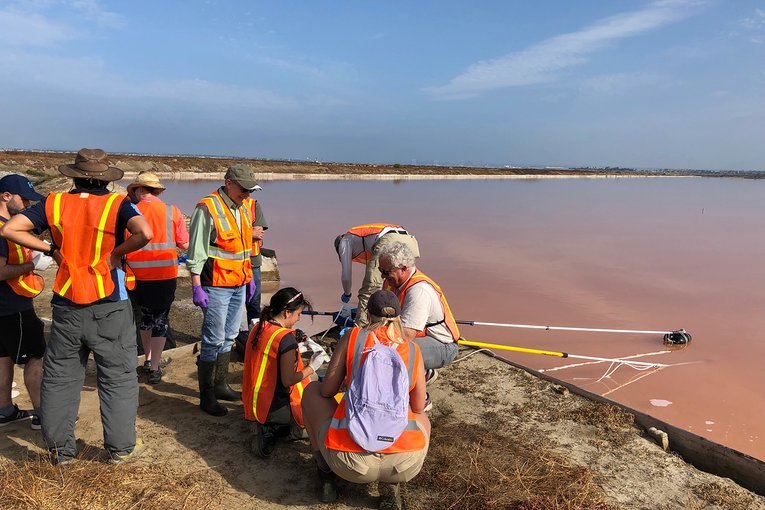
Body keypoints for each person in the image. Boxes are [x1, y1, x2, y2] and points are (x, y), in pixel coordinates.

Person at [0, 148, 153, 465]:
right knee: (118, 377)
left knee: (60, 379)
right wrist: (113, 256)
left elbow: (11, 229)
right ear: (105, 180)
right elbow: (145, 233)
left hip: (67, 304)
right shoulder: (116, 204)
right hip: (109, 303)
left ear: (75, 176)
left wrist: (51, 249)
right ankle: (121, 449)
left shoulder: (54, 202)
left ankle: (61, 451)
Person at [301, 290, 430, 508]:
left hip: (350, 464)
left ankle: (326, 477)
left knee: (312, 391)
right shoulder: (412, 349)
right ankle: (390, 486)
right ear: (399, 317)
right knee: (422, 416)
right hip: (404, 463)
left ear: (368, 316)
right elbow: (418, 406)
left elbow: (327, 391)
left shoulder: (353, 337)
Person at [186, 164, 260, 416]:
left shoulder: (243, 209)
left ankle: (220, 385)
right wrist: (196, 285)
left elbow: (243, 248)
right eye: (243, 189)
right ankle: (206, 395)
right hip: (215, 285)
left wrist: (249, 276)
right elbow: (196, 250)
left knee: (229, 336)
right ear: (228, 182)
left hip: (239, 282)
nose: (247, 194)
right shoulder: (207, 208)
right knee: (213, 339)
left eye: (250, 190)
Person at [241, 287, 324, 458]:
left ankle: (270, 424)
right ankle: (276, 430)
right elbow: (288, 380)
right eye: (298, 314)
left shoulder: (259, 326)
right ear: (287, 313)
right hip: (273, 406)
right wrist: (312, 366)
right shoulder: (285, 339)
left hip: (255, 399)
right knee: (315, 424)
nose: (298, 319)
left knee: (311, 379)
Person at [125, 172, 189, 385]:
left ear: (140, 190)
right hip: (164, 275)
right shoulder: (172, 211)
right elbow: (184, 243)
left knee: (144, 319)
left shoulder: (130, 211)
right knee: (160, 320)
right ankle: (154, 367)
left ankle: (148, 358)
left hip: (137, 276)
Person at [0, 174, 49, 430]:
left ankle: (5, 410)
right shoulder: (2, 230)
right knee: (36, 357)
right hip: (13, 306)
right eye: (24, 199)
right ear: (6, 196)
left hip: (7, 306)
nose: (28, 205)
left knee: (3, 356)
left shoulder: (11, 226)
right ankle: (44, 414)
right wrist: (34, 264)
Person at [379, 242, 460, 375]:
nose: (382, 276)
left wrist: (378, 343)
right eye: (380, 270)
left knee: (396, 351)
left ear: (403, 268)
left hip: (442, 345)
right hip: (418, 337)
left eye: (386, 272)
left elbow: (406, 335)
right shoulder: (393, 281)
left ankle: (424, 376)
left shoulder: (419, 291)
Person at [334, 223, 419, 328]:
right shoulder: (360, 239)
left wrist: (347, 294)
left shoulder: (344, 241)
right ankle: (392, 321)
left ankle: (360, 329)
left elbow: (346, 276)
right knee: (396, 284)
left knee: (370, 288)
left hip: (388, 240)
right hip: (410, 241)